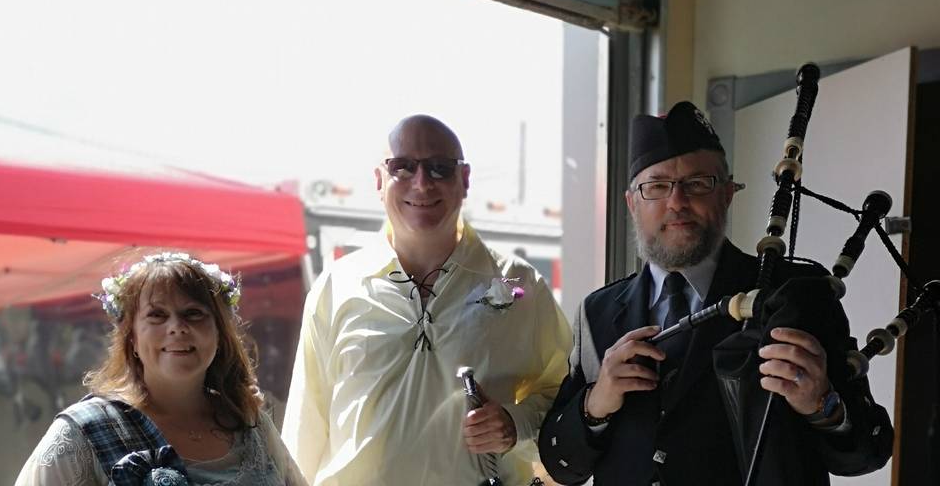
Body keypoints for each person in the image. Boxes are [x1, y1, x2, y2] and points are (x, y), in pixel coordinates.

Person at [538, 102, 893, 486]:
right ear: (632, 204)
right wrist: (596, 403)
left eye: (697, 183)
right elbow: (561, 465)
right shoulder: (597, 311)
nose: (676, 202)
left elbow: (869, 450)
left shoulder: (796, 294)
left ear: (727, 194)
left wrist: (822, 404)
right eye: (656, 187)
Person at [281, 114, 572, 485]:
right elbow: (305, 428)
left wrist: (515, 424)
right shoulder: (337, 287)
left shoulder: (518, 284)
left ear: (464, 181)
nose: (421, 184)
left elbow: (566, 397)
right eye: (402, 167)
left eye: (439, 168)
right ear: (379, 180)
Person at [15, 251, 306, 486]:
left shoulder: (248, 421)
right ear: (132, 336)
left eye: (194, 313)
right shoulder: (84, 433)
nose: (177, 328)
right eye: (157, 315)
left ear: (219, 332)